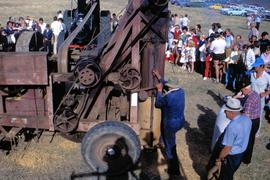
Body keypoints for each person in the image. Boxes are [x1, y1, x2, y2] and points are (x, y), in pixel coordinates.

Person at [208, 98, 252, 180]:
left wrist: (219, 159)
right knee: (230, 173)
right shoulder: (247, 119)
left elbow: (227, 148)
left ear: (231, 112)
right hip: (241, 153)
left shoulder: (232, 126)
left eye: (226, 111)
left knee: (225, 176)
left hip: (231, 156)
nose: (224, 113)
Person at [153, 70, 185, 179]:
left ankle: (174, 170)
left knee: (170, 145)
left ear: (170, 87)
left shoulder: (168, 97)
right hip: (180, 121)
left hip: (170, 124)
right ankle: (161, 141)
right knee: (167, 136)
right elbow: (167, 82)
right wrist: (159, 76)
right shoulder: (181, 91)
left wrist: (159, 90)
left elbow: (158, 104)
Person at [236, 76, 261, 164]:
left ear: (246, 89)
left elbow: (245, 115)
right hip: (256, 120)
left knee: (248, 141)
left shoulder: (249, 99)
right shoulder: (254, 93)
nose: (241, 91)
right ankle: (247, 158)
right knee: (251, 140)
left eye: (242, 90)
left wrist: (235, 114)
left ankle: (246, 159)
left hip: (251, 122)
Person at [250, 57, 270, 137]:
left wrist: (266, 93)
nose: (255, 67)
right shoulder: (252, 74)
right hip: (251, 97)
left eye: (257, 66)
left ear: (261, 66)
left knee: (258, 116)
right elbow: (250, 85)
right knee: (250, 114)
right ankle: (250, 129)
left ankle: (257, 132)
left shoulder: (267, 76)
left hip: (259, 99)